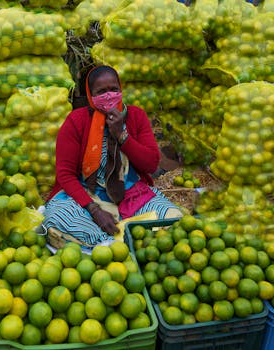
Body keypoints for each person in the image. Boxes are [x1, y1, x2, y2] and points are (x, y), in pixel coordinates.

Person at [43, 65, 183, 249]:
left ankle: (111, 244)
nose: (109, 95)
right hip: (88, 195)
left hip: (132, 195)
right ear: (90, 95)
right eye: (101, 91)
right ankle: (113, 245)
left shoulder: (136, 116)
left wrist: (122, 136)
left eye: (113, 89)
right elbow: (65, 174)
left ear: (120, 89)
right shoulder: (76, 121)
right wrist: (94, 210)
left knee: (175, 220)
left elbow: (150, 164)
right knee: (56, 220)